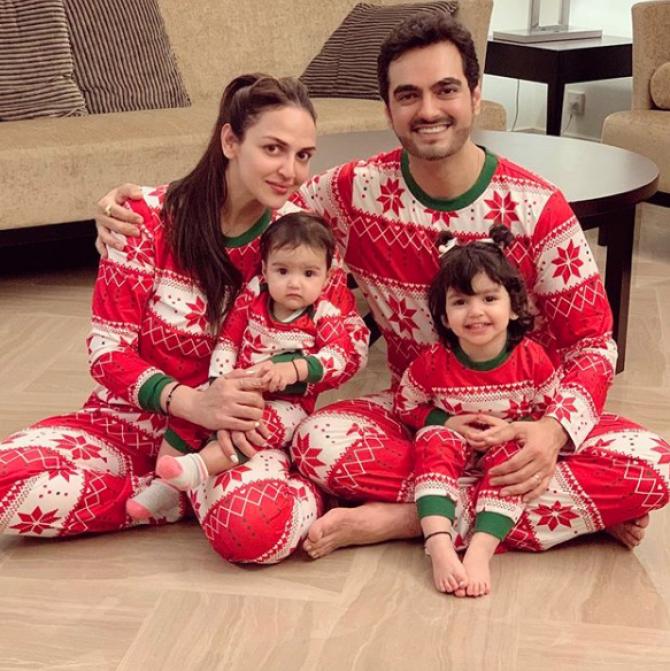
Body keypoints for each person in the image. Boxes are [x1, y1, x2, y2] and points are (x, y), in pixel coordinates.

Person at [94, 14, 669, 561]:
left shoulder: (539, 207)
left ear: (475, 95)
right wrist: (144, 205)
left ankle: (406, 518)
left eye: (446, 90)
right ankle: (553, 507)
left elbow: (594, 345)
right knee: (316, 440)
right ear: (389, 109)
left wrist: (552, 432)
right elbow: (257, 201)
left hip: (525, 420)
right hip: (419, 421)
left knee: (656, 463)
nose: (429, 110)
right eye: (408, 95)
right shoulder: (352, 191)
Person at [0, 73, 368, 565]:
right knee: (5, 485)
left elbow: (349, 346)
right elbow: (107, 353)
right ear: (230, 141)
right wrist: (193, 403)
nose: (291, 171)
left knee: (254, 533)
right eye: (273, 149)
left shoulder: (301, 241)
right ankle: (165, 498)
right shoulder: (144, 219)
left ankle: (207, 489)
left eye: (303, 155)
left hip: (235, 438)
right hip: (128, 423)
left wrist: (286, 375)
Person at [126, 211, 368, 520]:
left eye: (309, 274)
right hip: (240, 385)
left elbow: (338, 355)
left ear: (326, 275)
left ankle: (197, 468)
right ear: (265, 270)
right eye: (283, 271)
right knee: (192, 409)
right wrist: (218, 383)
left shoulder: (323, 313)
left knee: (254, 424)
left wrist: (295, 369)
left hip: (287, 404)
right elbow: (229, 341)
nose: (294, 283)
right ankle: (164, 486)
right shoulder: (254, 297)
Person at [394, 225, 558, 597]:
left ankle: (481, 549)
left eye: (489, 298)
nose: (476, 312)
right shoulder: (432, 363)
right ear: (444, 316)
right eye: (460, 302)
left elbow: (547, 411)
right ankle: (439, 543)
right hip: (451, 449)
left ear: (514, 307)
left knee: (515, 457)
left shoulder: (532, 360)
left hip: (504, 448)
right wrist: (446, 421)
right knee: (433, 439)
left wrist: (513, 429)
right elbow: (406, 404)